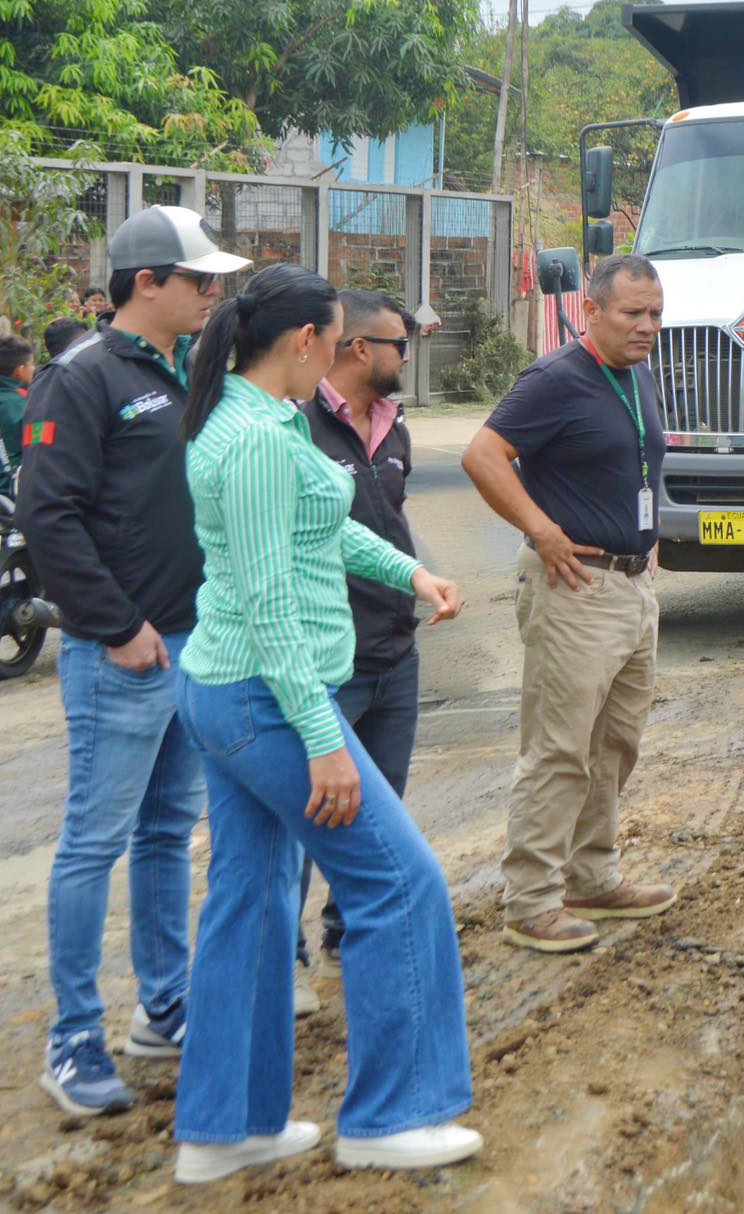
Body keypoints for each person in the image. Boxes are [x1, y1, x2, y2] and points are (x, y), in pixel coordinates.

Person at [173, 264, 478, 1183]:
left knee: (251, 902)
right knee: (400, 884)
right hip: (268, 697)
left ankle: (224, 1129)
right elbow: (270, 603)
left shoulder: (249, 420)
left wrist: (409, 572)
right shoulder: (261, 439)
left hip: (229, 689)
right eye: (337, 338)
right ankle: (393, 1113)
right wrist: (320, 741)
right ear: (305, 342)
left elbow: (319, 523)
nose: (342, 353)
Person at [15, 205, 248, 1117]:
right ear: (145, 284)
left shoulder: (184, 369)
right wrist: (116, 627)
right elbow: (49, 519)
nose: (212, 295)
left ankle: (166, 1003)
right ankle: (72, 1039)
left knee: (164, 834)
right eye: (199, 282)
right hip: (125, 654)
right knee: (94, 842)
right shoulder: (81, 379)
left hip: (191, 643)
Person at [462, 252, 674, 954]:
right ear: (592, 311)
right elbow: (484, 455)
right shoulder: (555, 379)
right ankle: (531, 900)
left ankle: (592, 876)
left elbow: (637, 468)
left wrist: (648, 541)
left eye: (655, 313)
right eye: (632, 313)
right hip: (574, 591)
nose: (647, 326)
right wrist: (542, 530)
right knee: (559, 750)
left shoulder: (637, 375)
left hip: (631, 586)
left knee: (615, 744)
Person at [292, 290, 422, 1011]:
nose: (407, 357)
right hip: (328, 659)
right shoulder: (296, 428)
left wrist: (416, 583)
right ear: (359, 349)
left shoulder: (393, 424)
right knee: (307, 810)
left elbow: (390, 527)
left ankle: (351, 931)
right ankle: (285, 953)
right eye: (400, 344)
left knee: (379, 805)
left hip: (394, 651)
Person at [0, 334, 31, 472]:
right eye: (31, 363)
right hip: (10, 487)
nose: (33, 369)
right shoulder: (25, 405)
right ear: (20, 370)